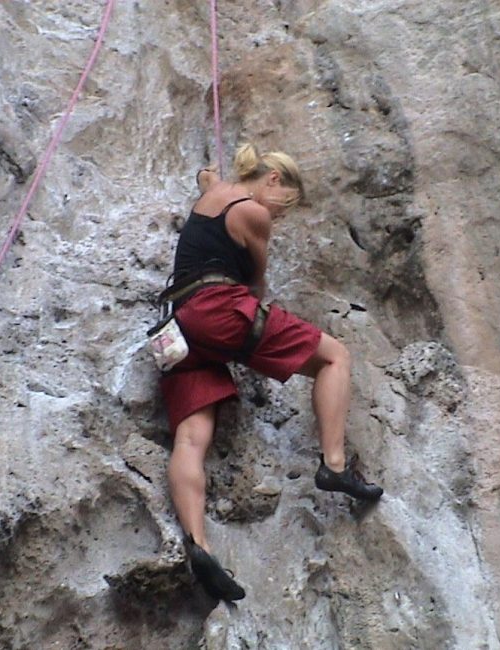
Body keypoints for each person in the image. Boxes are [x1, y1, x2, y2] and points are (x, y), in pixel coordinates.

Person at [158, 143, 383, 602]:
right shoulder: (253, 215)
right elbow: (255, 284)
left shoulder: (212, 195)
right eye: (285, 204)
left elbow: (211, 185)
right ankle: (335, 466)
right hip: (220, 309)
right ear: (273, 179)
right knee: (335, 356)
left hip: (179, 325)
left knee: (190, 438)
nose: (279, 217)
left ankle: (198, 544)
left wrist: (209, 180)